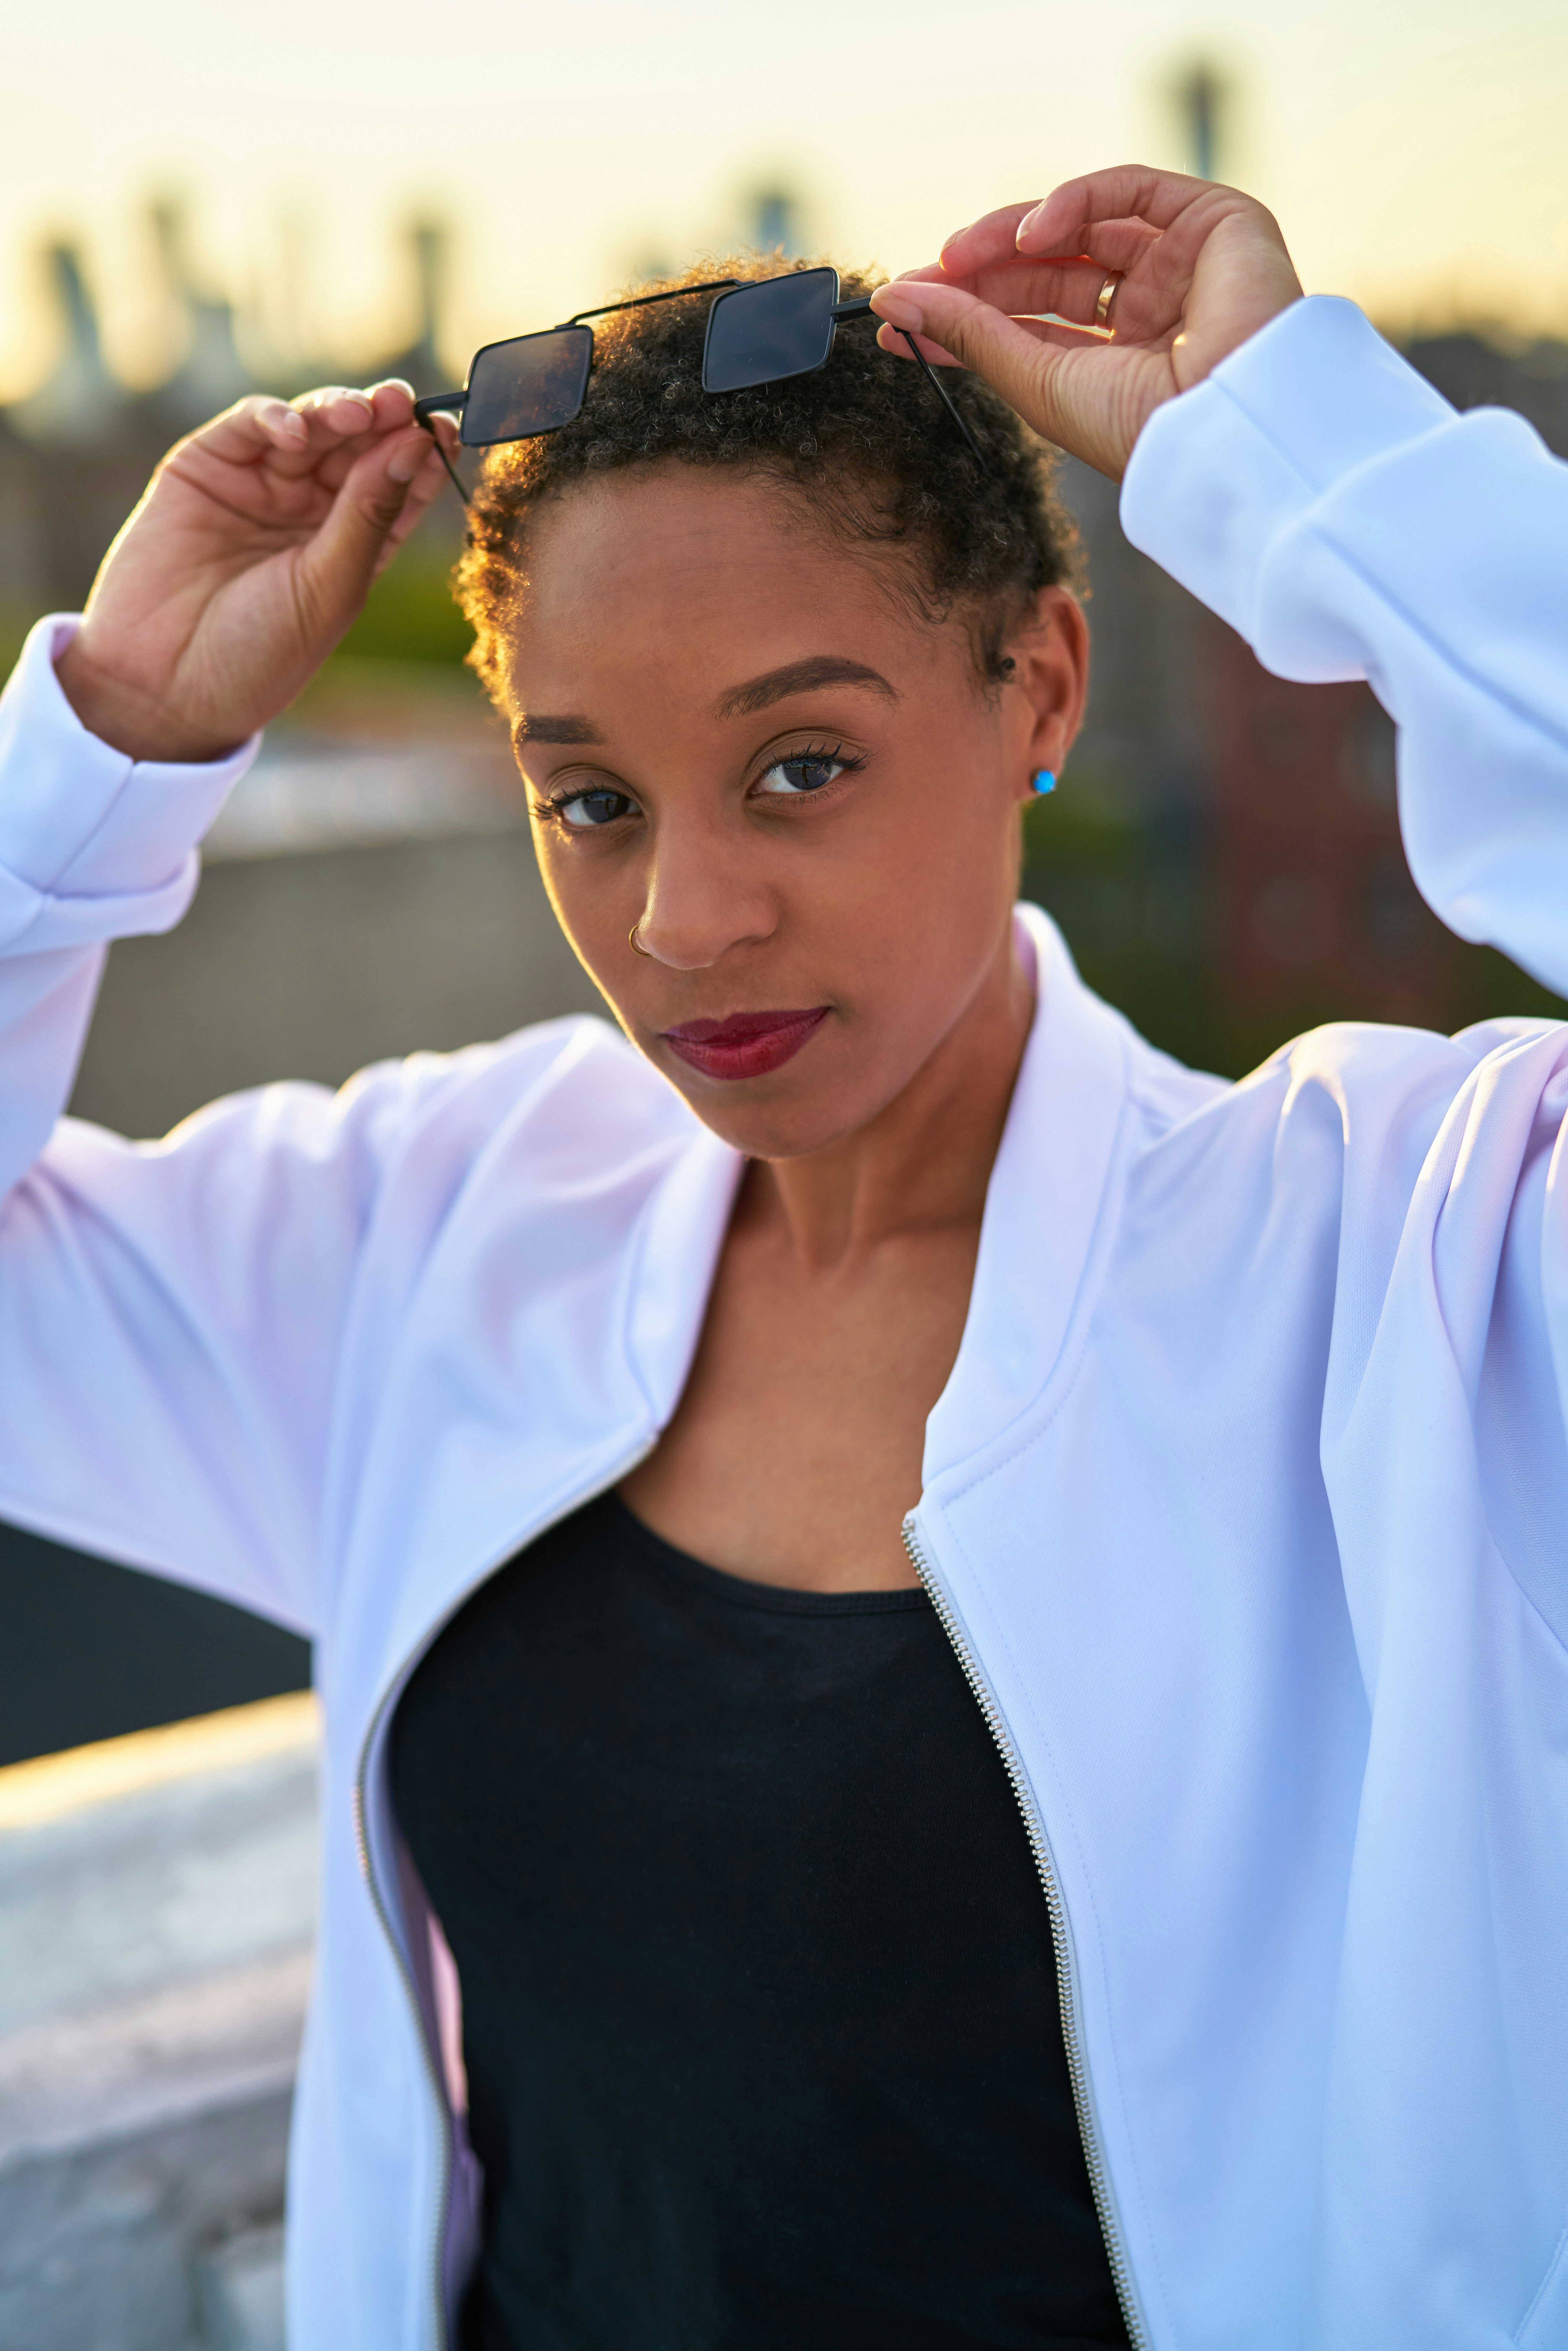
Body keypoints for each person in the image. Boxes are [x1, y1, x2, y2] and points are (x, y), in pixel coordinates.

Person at [1, 161, 1565, 2351]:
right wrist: (108, 751)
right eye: (591, 798)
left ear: (1039, 687)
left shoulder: (1404, 1267)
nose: (683, 922)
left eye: (800, 763)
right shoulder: (441, 1230)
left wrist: (1304, 462)